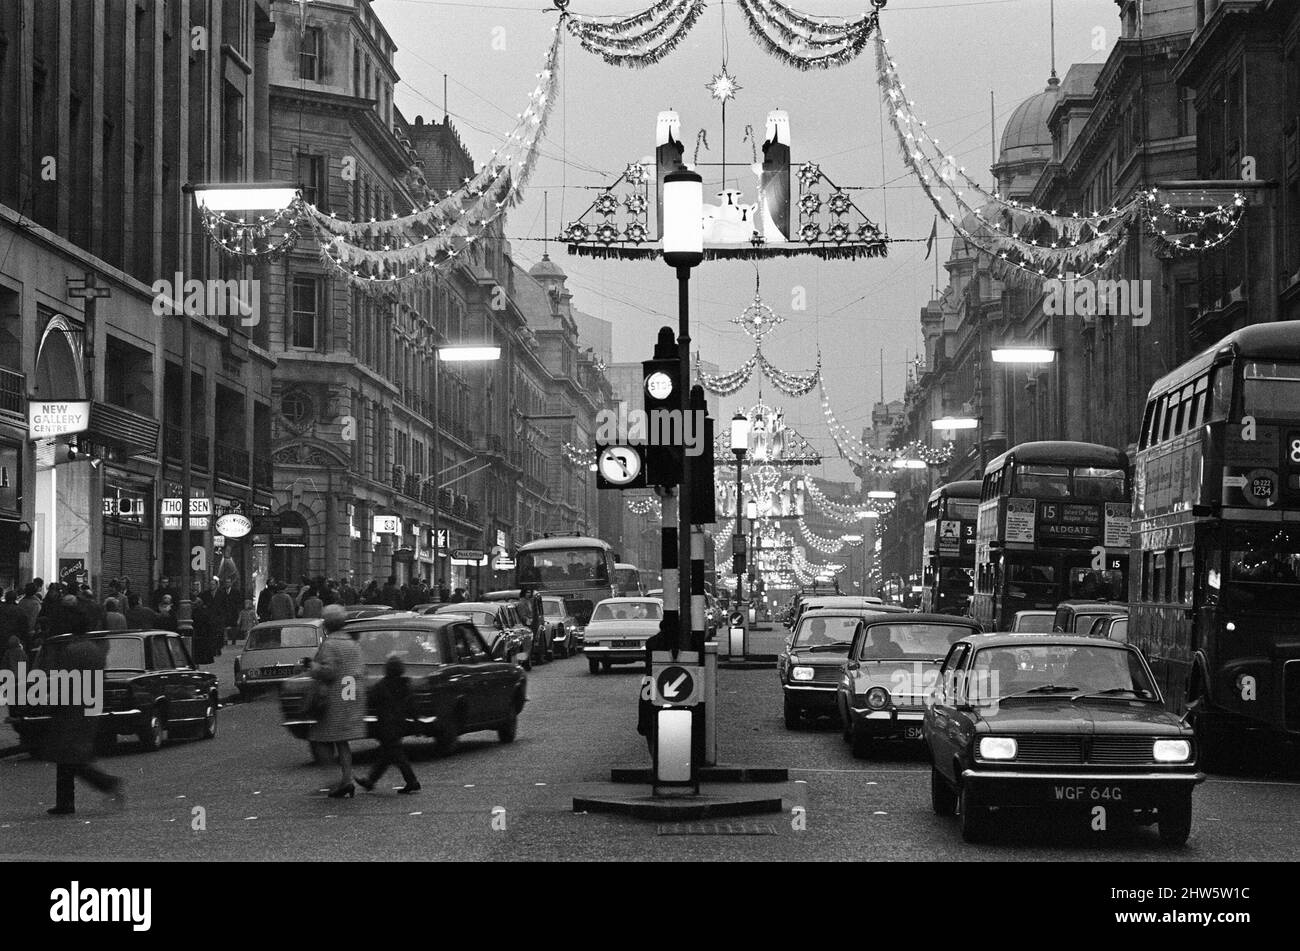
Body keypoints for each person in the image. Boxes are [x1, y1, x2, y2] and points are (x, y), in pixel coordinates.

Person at [41, 636, 124, 815]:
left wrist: (52, 701)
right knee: (66, 758)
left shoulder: (71, 651)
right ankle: (65, 802)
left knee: (70, 757)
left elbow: (64, 679)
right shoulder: (95, 650)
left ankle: (106, 783)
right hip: (85, 706)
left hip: (70, 710)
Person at [309, 604, 366, 798]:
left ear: (327, 624)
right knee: (342, 742)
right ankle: (347, 779)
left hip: (333, 698)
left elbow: (329, 671)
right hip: (349, 696)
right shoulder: (352, 643)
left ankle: (337, 780)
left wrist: (313, 667)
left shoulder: (330, 644)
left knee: (318, 739)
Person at [356, 655, 420, 795]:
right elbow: (412, 705)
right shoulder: (405, 685)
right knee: (387, 753)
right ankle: (370, 781)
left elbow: (370, 701)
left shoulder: (381, 686)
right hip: (400, 723)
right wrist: (416, 722)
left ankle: (411, 781)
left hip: (385, 724)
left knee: (395, 753)